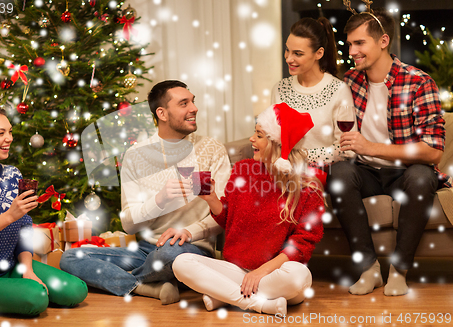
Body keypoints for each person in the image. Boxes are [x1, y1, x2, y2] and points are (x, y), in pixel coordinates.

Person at [60, 80, 231, 304]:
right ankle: (145, 287)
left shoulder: (211, 149)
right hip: (146, 250)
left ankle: (132, 281)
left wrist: (188, 232)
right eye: (184, 103)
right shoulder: (136, 155)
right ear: (162, 113)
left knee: (170, 253)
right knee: (70, 257)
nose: (194, 108)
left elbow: (226, 212)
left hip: (190, 250)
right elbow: (128, 224)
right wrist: (159, 200)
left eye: (193, 101)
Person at [327, 6, 451, 296]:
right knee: (340, 174)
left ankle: (399, 270)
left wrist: (371, 146)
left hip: (406, 171)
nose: (353, 51)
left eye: (360, 43)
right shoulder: (350, 82)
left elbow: (433, 151)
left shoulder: (419, 82)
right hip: (365, 172)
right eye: (350, 44)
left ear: (383, 41)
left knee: (422, 178)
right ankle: (369, 269)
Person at [170, 103, 324, 316]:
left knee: (300, 276)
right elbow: (226, 219)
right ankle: (259, 304)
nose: (251, 139)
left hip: (275, 273)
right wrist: (211, 198)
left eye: (259, 135)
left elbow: (302, 244)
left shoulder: (308, 188)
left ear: (278, 144)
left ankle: (225, 295)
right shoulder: (243, 169)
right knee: (181, 262)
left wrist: (261, 272)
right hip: (235, 269)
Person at [0, 91, 88, 316]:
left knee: (75, 290)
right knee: (36, 298)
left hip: (11, 267)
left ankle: (23, 283)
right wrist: (9, 216)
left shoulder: (13, 174)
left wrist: (27, 268)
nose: (9, 138)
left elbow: (24, 225)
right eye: (1, 133)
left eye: (10, 132)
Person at [271, 17, 356, 181]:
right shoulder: (279, 89)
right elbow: (273, 141)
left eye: (298, 54)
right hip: (284, 174)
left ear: (319, 53)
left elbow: (347, 149)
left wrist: (301, 158)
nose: (288, 58)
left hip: (322, 174)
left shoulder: (338, 90)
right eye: (287, 50)